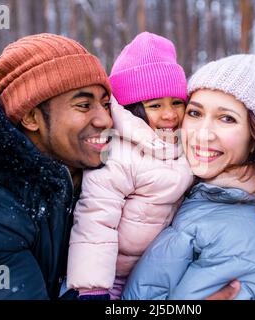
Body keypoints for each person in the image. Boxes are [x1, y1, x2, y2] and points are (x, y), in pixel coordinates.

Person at [0, 33, 240, 300]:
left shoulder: (70, 170)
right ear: (31, 117)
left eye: (106, 104)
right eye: (83, 105)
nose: (105, 120)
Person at [122, 54, 255, 300]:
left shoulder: (241, 238)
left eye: (226, 118)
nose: (202, 133)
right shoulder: (200, 192)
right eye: (195, 113)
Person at [67, 32, 194, 300]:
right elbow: (95, 218)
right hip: (113, 277)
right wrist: (93, 288)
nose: (169, 114)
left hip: (160, 273)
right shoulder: (117, 152)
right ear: (133, 109)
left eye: (177, 103)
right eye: (155, 105)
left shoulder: (185, 144)